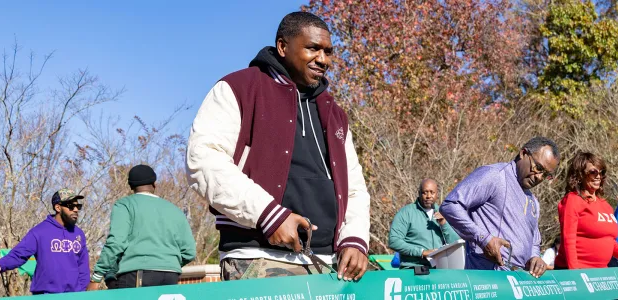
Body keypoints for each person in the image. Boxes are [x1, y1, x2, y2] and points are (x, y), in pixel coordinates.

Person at [186, 11, 371, 281]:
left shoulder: (334, 113)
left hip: (329, 265)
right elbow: (203, 160)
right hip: (257, 258)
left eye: (328, 52)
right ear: (283, 47)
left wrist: (354, 239)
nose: (323, 59)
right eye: (313, 48)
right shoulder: (239, 88)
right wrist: (269, 215)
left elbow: (354, 188)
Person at [441, 137, 559, 278]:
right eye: (538, 168)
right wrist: (484, 239)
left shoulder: (533, 201)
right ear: (523, 153)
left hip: (519, 281)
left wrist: (535, 257)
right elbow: (451, 205)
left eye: (546, 175)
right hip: (486, 281)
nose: (539, 177)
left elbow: (534, 239)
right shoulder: (494, 175)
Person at [87, 165, 196, 290]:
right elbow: (190, 251)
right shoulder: (175, 210)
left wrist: (97, 276)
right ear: (154, 184)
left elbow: (116, 242)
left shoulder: (125, 205)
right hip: (171, 275)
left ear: (131, 186)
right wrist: (168, 263)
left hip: (137, 273)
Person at [0, 189, 89, 294]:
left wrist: (81, 291)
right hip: (45, 295)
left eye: (78, 206)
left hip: (73, 295)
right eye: (71, 206)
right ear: (58, 207)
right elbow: (19, 254)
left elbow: (83, 267)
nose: (76, 209)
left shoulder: (79, 234)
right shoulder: (40, 231)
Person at [555, 151, 618, 271]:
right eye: (593, 172)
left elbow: (609, 241)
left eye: (601, 172)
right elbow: (568, 239)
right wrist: (574, 273)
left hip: (600, 273)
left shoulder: (605, 206)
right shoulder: (573, 200)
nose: (598, 176)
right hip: (576, 270)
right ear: (580, 175)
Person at [388, 178, 461, 268]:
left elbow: (456, 243)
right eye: (425, 192)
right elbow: (394, 241)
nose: (428, 196)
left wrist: (444, 223)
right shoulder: (406, 213)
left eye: (432, 192)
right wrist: (421, 252)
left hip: (440, 270)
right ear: (419, 193)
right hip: (413, 270)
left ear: (437, 193)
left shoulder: (443, 212)